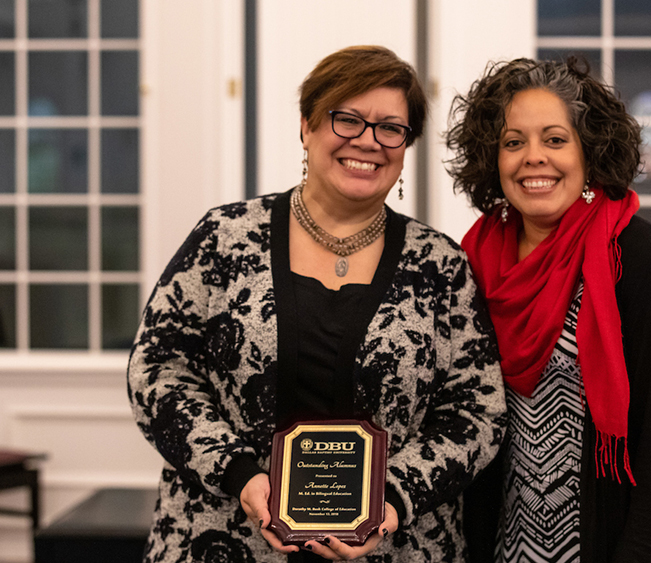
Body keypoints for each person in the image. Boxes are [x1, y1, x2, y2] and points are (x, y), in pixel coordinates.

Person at [128, 45, 506, 563]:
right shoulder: (224, 238)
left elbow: (477, 411)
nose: (368, 141)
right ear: (306, 126)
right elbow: (158, 371)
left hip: (396, 548)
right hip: (223, 538)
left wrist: (393, 499)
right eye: (347, 120)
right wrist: (238, 474)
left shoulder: (440, 265)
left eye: (390, 128)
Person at [447, 56, 651, 562]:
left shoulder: (638, 258)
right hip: (509, 544)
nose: (533, 157)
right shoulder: (474, 261)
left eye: (554, 139)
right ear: (492, 157)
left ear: (589, 151)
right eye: (513, 142)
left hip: (618, 544)